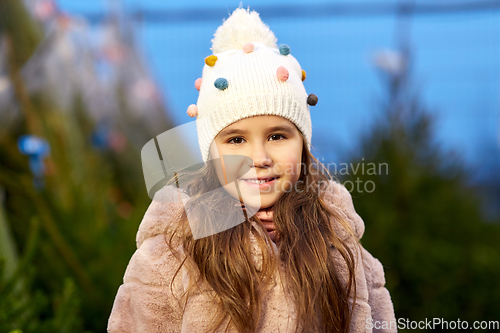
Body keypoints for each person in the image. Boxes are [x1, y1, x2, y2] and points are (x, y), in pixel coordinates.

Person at [108, 7, 396, 333]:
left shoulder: (336, 238)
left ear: (303, 144)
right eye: (235, 140)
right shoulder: (175, 247)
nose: (258, 157)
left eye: (277, 136)